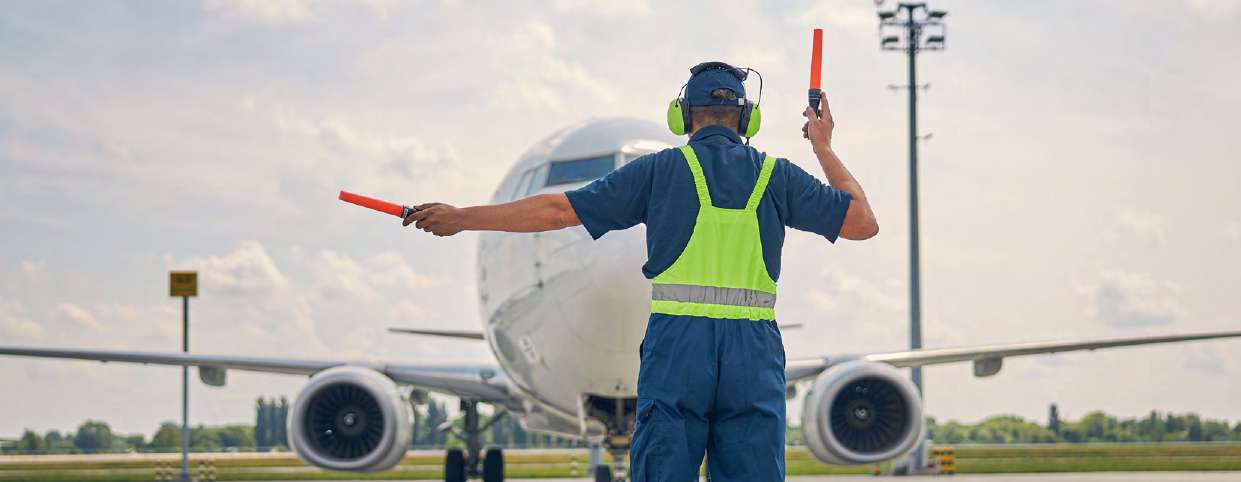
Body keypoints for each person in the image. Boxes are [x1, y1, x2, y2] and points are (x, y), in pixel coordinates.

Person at [403, 61, 877, 482]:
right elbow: (862, 223)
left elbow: (554, 212)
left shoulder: (660, 172)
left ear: (683, 117)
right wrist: (822, 146)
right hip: (753, 353)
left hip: (678, 350)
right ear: (747, 119)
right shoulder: (777, 175)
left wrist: (462, 218)